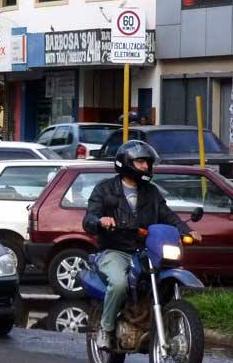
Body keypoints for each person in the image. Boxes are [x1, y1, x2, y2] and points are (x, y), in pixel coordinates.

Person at [82, 140, 201, 350]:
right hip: (115, 250)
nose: (146, 167)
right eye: (140, 162)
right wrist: (101, 221)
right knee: (119, 284)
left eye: (147, 162)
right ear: (125, 163)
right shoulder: (105, 188)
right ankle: (106, 328)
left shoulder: (151, 192)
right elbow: (89, 219)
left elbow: (167, 215)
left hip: (145, 250)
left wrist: (187, 230)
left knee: (166, 276)